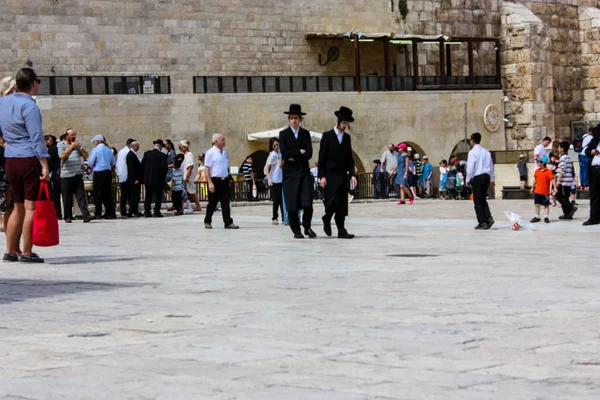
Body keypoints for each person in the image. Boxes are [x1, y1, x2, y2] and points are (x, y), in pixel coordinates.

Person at [0, 68, 49, 263]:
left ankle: (11, 250)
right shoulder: (30, 106)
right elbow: (37, 137)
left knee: (16, 206)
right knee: (30, 208)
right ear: (34, 83)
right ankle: (27, 252)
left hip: (11, 158)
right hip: (28, 158)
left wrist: (8, 142)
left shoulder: (2, 103)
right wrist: (44, 165)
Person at [318, 106, 357, 239]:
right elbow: (321, 157)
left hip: (342, 175)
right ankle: (327, 218)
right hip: (329, 175)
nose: (345, 125)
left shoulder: (347, 138)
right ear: (338, 121)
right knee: (332, 201)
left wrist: (352, 174)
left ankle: (341, 229)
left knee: (342, 204)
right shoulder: (327, 136)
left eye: (347, 123)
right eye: (343, 123)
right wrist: (321, 176)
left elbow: (349, 158)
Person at [279, 104, 315, 239]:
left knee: (307, 202)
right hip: (290, 174)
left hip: (304, 172)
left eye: (296, 118)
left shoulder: (305, 134)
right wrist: (299, 151)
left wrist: (294, 156)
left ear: (300, 119)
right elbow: (284, 153)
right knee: (292, 203)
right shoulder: (284, 134)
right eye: (292, 118)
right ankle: (296, 230)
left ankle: (307, 226)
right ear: (289, 119)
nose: (294, 120)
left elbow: (309, 153)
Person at [58, 129, 93, 223]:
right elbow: (62, 156)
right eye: (72, 135)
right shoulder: (61, 145)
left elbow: (86, 155)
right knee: (67, 197)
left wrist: (79, 149)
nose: (74, 136)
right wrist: (71, 147)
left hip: (77, 174)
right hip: (66, 175)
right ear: (67, 136)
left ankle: (86, 215)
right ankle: (68, 216)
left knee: (81, 196)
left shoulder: (77, 145)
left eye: (74, 135)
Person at [204, 133, 238, 229]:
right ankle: (207, 221)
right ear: (215, 141)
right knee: (212, 202)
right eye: (222, 140)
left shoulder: (224, 152)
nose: (224, 142)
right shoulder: (210, 152)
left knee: (226, 202)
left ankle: (228, 222)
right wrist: (210, 182)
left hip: (224, 180)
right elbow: (207, 169)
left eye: (224, 139)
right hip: (215, 180)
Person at [466, 132, 495, 230]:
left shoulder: (472, 152)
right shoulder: (486, 152)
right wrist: (492, 179)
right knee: (482, 198)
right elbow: (491, 166)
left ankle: (482, 221)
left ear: (472, 141)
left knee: (477, 200)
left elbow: (470, 167)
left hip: (478, 177)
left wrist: (467, 179)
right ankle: (488, 218)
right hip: (486, 176)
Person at [87, 134, 116, 219]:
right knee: (107, 193)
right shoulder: (108, 150)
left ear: (98, 141)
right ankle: (110, 212)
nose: (94, 143)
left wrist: (87, 165)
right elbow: (113, 162)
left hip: (99, 173)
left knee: (97, 194)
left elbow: (90, 162)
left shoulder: (95, 150)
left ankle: (98, 213)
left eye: (95, 141)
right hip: (107, 173)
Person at [142, 139, 168, 218]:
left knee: (148, 195)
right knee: (158, 195)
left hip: (148, 179)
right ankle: (156, 211)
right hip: (158, 178)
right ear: (160, 146)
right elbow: (164, 168)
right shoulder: (162, 155)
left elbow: (143, 166)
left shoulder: (146, 154)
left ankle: (147, 211)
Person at [554, 141, 577, 220]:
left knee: (558, 195)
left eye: (559, 147)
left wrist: (558, 180)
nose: (558, 148)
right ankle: (567, 214)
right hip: (569, 181)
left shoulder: (563, 158)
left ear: (562, 149)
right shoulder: (568, 157)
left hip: (564, 181)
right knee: (565, 197)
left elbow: (562, 169)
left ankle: (571, 207)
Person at [584, 123, 600, 226]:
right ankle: (594, 218)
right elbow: (586, 151)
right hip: (595, 170)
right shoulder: (595, 140)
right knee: (594, 195)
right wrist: (592, 151)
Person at [529, 156, 554, 223]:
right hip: (537, 191)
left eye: (539, 162)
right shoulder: (537, 171)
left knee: (546, 205)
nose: (538, 163)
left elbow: (552, 179)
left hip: (545, 192)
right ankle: (537, 216)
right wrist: (532, 187)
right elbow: (535, 180)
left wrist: (553, 188)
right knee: (537, 204)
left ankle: (546, 217)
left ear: (543, 163)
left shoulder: (548, 171)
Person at [179, 140, 201, 212]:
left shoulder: (189, 154)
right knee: (184, 192)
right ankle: (181, 207)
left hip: (188, 177)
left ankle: (198, 206)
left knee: (191, 192)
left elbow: (190, 167)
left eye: (181, 147)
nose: (180, 148)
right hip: (185, 176)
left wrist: (187, 177)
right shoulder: (184, 155)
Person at [266, 137, 283, 225]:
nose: (277, 146)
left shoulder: (280, 153)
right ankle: (274, 217)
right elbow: (267, 167)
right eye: (275, 145)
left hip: (282, 179)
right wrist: (269, 179)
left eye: (278, 144)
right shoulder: (272, 155)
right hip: (275, 179)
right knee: (276, 200)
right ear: (272, 146)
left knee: (282, 200)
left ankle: (284, 217)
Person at [116, 138, 134, 217]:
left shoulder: (120, 152)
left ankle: (123, 210)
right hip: (127, 176)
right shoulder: (128, 152)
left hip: (121, 175)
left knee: (123, 195)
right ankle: (131, 210)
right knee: (129, 195)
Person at [45, 134, 62, 219]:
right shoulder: (55, 149)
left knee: (55, 195)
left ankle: (57, 214)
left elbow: (50, 164)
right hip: (58, 174)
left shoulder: (52, 150)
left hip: (55, 175)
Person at [125, 141, 142, 217]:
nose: (138, 148)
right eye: (137, 146)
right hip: (134, 179)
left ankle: (135, 210)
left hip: (135, 179)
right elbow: (131, 168)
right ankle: (132, 210)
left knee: (136, 195)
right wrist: (135, 178)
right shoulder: (130, 155)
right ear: (133, 146)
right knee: (134, 196)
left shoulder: (133, 154)